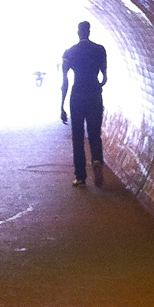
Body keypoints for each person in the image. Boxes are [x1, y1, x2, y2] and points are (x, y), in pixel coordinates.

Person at [60, 21, 108, 187]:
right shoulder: (100, 50)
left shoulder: (70, 52)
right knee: (94, 133)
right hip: (94, 94)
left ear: (78, 32)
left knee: (78, 137)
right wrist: (97, 87)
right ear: (89, 31)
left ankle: (80, 176)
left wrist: (62, 105)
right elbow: (104, 78)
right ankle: (96, 160)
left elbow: (65, 82)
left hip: (77, 96)